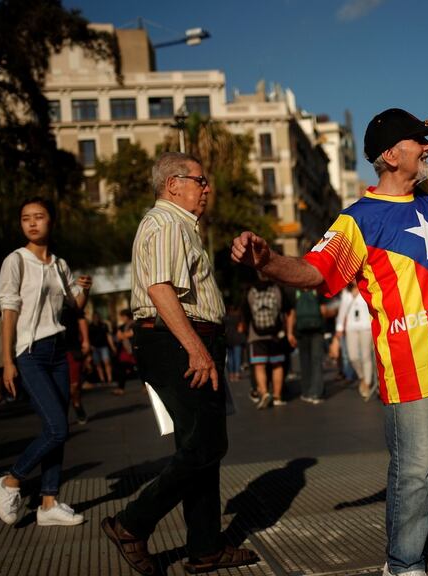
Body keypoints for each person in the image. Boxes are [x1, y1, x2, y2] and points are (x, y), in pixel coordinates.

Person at [233, 54, 428, 576]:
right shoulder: (358, 219)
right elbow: (315, 273)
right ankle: (403, 565)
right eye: (419, 140)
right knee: (412, 472)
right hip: (409, 369)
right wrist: (266, 262)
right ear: (388, 154)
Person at [101, 152, 258, 575]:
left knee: (199, 446)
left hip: (184, 339)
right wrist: (194, 347)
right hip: (177, 340)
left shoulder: (178, 225)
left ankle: (205, 547)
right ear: (174, 184)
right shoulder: (168, 222)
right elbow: (160, 288)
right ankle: (131, 524)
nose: (206, 188)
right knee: (205, 446)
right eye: (200, 180)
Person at [0, 197, 92, 527]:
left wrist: (84, 290)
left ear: (51, 221)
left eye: (39, 217)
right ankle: (10, 481)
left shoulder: (59, 264)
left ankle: (48, 503)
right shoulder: (15, 261)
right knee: (58, 428)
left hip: (57, 352)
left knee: (57, 430)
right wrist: (9, 361)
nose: (32, 223)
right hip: (29, 352)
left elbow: (73, 308)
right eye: (25, 218)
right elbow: (9, 311)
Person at [243, 276, 294, 409]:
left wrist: (246, 333)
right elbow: (288, 311)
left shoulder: (250, 291)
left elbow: (245, 315)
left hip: (256, 335)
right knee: (277, 364)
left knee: (259, 365)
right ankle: (277, 396)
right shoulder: (277, 289)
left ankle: (264, 393)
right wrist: (289, 333)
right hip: (275, 335)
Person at [331, 284, 376, 400]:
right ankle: (362, 377)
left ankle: (367, 383)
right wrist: (339, 329)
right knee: (353, 357)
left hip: (366, 327)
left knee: (366, 356)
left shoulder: (366, 286)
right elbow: (342, 312)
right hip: (351, 328)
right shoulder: (346, 292)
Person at [293, 287, 328, 404]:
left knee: (304, 361)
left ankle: (306, 391)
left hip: (301, 330)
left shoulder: (296, 290)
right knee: (317, 361)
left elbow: (292, 313)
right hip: (317, 330)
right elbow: (323, 311)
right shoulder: (318, 289)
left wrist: (290, 332)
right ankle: (316, 392)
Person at [88, 312, 116, 384]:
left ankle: (110, 379)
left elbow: (108, 336)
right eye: (95, 317)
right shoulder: (90, 326)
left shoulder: (104, 325)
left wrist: (112, 347)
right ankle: (102, 379)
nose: (96, 318)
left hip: (104, 346)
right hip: (94, 348)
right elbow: (87, 338)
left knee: (107, 362)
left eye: (97, 317)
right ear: (93, 318)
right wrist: (90, 346)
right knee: (98, 364)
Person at [113, 309, 136, 395]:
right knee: (122, 368)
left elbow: (130, 334)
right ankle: (121, 388)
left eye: (123, 316)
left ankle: (145, 386)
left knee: (141, 368)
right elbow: (118, 337)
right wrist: (123, 335)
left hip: (133, 349)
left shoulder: (133, 324)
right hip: (125, 351)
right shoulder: (122, 326)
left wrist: (123, 335)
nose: (122, 318)